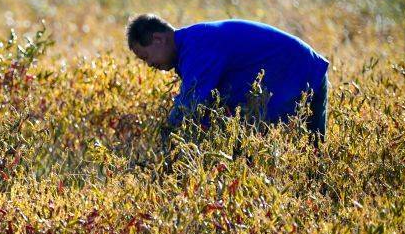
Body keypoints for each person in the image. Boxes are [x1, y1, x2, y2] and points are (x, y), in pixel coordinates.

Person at [126, 14, 329, 141]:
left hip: (294, 74)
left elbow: (191, 103)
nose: (150, 64)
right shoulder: (192, 44)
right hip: (310, 70)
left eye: (145, 57)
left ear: (158, 39)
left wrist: (166, 135)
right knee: (312, 154)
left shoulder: (197, 47)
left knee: (267, 150)